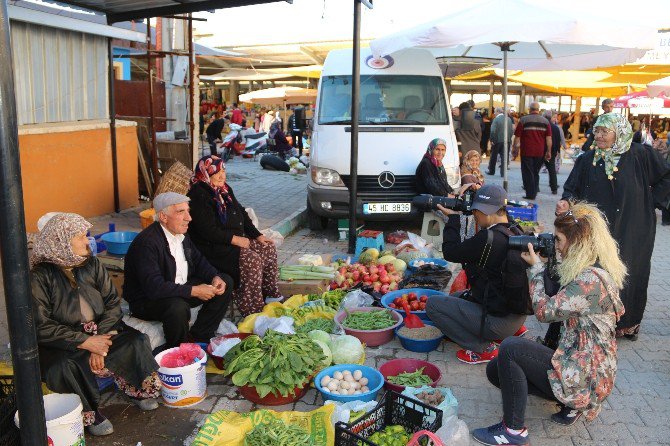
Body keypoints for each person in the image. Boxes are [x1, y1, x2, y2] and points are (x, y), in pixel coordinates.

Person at [472, 203, 626, 446]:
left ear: (578, 243)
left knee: (511, 349)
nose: (556, 246)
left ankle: (512, 431)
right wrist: (549, 265)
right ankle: (570, 402)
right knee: (496, 370)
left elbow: (544, 311)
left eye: (559, 240)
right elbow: (559, 297)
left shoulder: (589, 281)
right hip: (587, 366)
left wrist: (535, 269)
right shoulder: (594, 268)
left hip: (586, 375)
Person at [31, 213, 160, 436]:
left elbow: (112, 303)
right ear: (61, 242)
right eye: (80, 237)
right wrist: (86, 342)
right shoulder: (40, 277)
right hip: (64, 339)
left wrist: (102, 338)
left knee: (135, 340)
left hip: (101, 330)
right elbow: (41, 325)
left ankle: (136, 390)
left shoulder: (91, 263)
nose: (87, 241)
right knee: (64, 367)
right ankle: (90, 413)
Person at [559, 113, 670, 339]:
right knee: (598, 271)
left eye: (604, 132)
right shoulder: (587, 160)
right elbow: (572, 189)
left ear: (619, 133)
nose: (598, 136)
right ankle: (598, 320)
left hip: (635, 225)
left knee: (633, 272)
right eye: (597, 131)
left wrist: (653, 201)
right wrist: (566, 202)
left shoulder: (640, 154)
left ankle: (628, 323)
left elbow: (666, 177)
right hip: (598, 230)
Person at [426, 184, 527, 365]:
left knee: (434, 305)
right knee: (456, 297)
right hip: (515, 317)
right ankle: (501, 334)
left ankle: (483, 349)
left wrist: (454, 220)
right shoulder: (515, 229)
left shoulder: (488, 238)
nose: (474, 216)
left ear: (486, 211)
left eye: (475, 212)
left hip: (498, 323)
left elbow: (451, 252)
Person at [123, 192, 233, 351]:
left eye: (188, 211)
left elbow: (200, 261)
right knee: (177, 307)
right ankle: (178, 350)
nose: (189, 218)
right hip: (147, 301)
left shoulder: (181, 235)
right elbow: (154, 288)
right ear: (163, 216)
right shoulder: (147, 243)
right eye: (181, 212)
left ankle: (199, 335)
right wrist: (194, 291)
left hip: (177, 289)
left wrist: (214, 276)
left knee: (225, 282)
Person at [187, 156, 281, 317]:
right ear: (207, 172)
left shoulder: (224, 189)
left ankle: (271, 296)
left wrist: (257, 236)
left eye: (224, 171)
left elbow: (241, 212)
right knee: (252, 260)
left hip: (231, 243)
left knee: (267, 247)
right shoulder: (198, 194)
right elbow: (207, 230)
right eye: (217, 171)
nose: (222, 175)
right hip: (213, 249)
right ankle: (253, 310)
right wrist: (235, 240)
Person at [512, 102, 552, 200]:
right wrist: (548, 151)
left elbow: (517, 137)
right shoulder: (545, 122)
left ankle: (530, 194)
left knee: (527, 172)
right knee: (535, 172)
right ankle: (534, 191)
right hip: (540, 152)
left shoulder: (523, 120)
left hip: (527, 151)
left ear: (529, 109)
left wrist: (515, 149)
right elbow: (549, 139)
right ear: (538, 110)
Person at [486, 107, 514, 176]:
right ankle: (503, 173)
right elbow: (511, 131)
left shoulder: (496, 119)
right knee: (504, 157)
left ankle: (491, 171)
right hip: (506, 141)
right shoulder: (509, 119)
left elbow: (492, 131)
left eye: (495, 112)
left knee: (493, 156)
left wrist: (492, 140)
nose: (494, 113)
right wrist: (509, 139)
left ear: (498, 112)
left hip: (497, 141)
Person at [542, 110, 561, 194]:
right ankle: (554, 188)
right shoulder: (556, 128)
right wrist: (557, 151)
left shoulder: (543, 126)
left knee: (535, 169)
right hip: (552, 151)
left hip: (542, 150)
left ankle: (534, 187)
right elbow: (558, 140)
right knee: (552, 170)